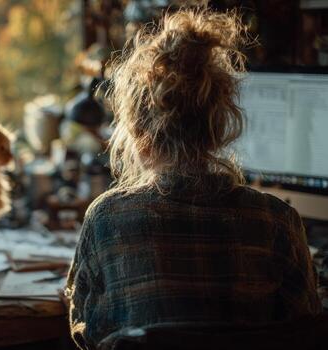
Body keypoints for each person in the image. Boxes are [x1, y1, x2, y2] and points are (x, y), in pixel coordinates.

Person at [65, 9, 322, 349]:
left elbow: (88, 331)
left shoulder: (106, 220)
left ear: (140, 134)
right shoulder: (277, 221)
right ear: (218, 130)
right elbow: (306, 330)